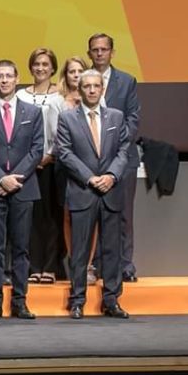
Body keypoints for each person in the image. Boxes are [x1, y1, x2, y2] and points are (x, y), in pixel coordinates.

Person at [55, 70, 131, 319]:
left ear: (102, 89)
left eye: (96, 86)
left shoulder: (117, 117)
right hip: (82, 190)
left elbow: (123, 151)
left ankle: (112, 300)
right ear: (79, 88)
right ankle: (77, 300)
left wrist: (110, 176)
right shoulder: (67, 118)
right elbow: (65, 153)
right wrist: (90, 177)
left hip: (110, 191)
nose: (91, 90)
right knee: (79, 251)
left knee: (111, 250)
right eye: (86, 86)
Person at [0, 61, 44, 320]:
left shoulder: (33, 112)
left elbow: (37, 150)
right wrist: (1, 179)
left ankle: (20, 301)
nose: (4, 80)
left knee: (21, 248)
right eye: (0, 76)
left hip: (24, 189)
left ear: (17, 79)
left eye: (8, 76)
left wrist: (16, 179)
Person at [87, 33, 141, 283]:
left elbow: (132, 119)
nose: (99, 53)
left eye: (104, 49)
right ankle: (97, 264)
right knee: (94, 216)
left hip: (122, 158)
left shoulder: (127, 81)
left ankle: (125, 265)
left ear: (112, 52)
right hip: (91, 160)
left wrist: (115, 146)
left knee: (123, 215)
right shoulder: (84, 80)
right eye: (95, 50)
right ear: (89, 53)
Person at [16, 48, 64, 284]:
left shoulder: (60, 97)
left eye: (46, 64)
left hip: (52, 164)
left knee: (52, 216)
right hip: (26, 166)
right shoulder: (20, 96)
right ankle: (33, 266)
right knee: (30, 216)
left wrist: (48, 156)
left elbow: (62, 132)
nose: (41, 68)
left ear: (53, 68)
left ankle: (50, 266)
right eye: (36, 64)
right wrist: (30, 160)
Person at [47, 56, 92, 276]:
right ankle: (75, 263)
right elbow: (58, 136)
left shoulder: (95, 98)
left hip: (93, 167)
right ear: (65, 76)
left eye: (79, 71)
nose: (76, 75)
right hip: (65, 166)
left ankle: (89, 265)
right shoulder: (56, 101)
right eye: (71, 72)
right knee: (67, 216)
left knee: (91, 217)